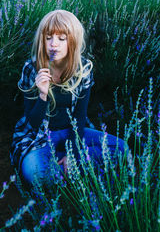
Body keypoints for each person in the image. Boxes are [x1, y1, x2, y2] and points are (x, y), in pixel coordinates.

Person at [10, 10, 125, 188]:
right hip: (40, 137)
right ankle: (71, 172)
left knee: (121, 149)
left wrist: (73, 155)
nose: (53, 44)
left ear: (72, 41)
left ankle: (65, 166)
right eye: (48, 37)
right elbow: (32, 123)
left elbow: (79, 117)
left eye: (61, 38)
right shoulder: (32, 68)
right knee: (34, 173)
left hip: (72, 132)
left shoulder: (83, 69)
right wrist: (42, 95)